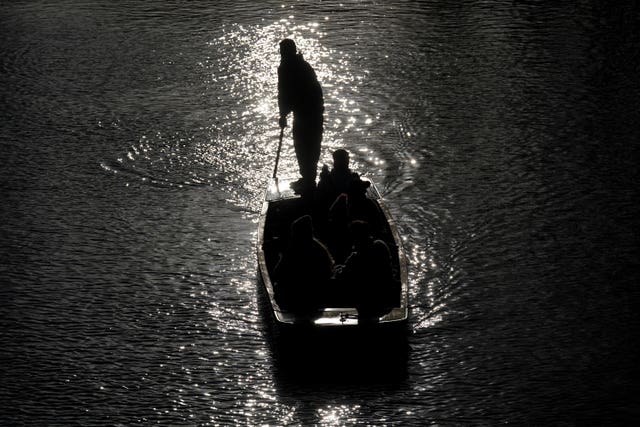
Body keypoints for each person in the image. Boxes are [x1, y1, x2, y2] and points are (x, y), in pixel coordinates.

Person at [277, 39, 324, 193]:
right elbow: (285, 94)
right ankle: (308, 178)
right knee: (307, 146)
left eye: (283, 51)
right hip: (311, 113)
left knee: (305, 145)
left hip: (308, 113)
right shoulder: (303, 65)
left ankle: (309, 180)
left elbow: (285, 93)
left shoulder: (287, 68)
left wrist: (283, 114)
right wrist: (284, 113)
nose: (281, 54)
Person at [273, 215, 334, 313]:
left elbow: (277, 273)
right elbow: (328, 272)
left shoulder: (293, 251)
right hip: (318, 295)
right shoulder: (320, 249)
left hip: (299, 296)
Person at [337, 220, 397, 318]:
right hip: (385, 295)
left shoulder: (355, 258)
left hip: (366, 301)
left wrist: (338, 269)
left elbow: (341, 275)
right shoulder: (380, 245)